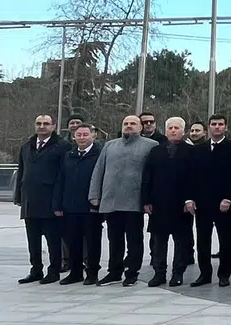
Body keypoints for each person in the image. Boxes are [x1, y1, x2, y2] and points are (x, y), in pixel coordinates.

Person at [89, 115, 157, 287]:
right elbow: (99, 170)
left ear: (140, 127)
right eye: (125, 123)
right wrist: (94, 194)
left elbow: (154, 174)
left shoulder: (151, 146)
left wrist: (151, 198)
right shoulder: (110, 145)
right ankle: (114, 271)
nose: (128, 126)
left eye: (133, 124)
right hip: (111, 199)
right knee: (114, 238)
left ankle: (132, 273)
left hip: (134, 201)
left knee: (134, 239)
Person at [15, 114, 72, 284]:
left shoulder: (63, 146)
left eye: (46, 124)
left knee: (53, 240)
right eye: (39, 123)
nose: (42, 127)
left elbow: (65, 175)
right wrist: (19, 195)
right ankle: (36, 269)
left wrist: (61, 201)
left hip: (50, 201)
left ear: (53, 126)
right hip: (30, 200)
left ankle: (54, 270)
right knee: (33, 240)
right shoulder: (27, 146)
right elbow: (21, 172)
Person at [141, 117, 195, 288]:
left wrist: (191, 199)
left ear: (183, 131)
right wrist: (146, 200)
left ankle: (178, 273)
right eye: (170, 128)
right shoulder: (156, 151)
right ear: (166, 131)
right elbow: (147, 177)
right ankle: (159, 273)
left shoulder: (191, 151)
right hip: (159, 202)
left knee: (181, 241)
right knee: (158, 241)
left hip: (182, 204)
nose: (173, 130)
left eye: (177, 128)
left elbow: (195, 178)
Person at [189, 115, 231, 287]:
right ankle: (205, 274)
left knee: (225, 240)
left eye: (220, 124)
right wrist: (190, 199)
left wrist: (228, 198)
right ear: (208, 128)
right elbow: (192, 176)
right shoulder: (198, 149)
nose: (217, 127)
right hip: (202, 203)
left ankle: (224, 274)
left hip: (223, 204)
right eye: (214, 124)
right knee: (203, 240)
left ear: (225, 127)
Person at [52, 123, 102, 285]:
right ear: (74, 137)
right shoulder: (69, 155)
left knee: (93, 242)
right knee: (73, 241)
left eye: (85, 134)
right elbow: (60, 180)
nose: (81, 138)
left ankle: (92, 273)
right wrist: (58, 204)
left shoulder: (99, 155)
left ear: (93, 135)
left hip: (91, 208)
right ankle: (75, 272)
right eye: (78, 135)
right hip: (70, 207)